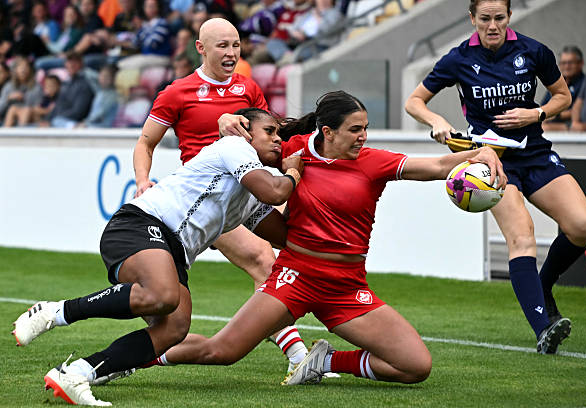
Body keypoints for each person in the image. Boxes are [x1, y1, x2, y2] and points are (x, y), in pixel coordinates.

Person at [132, 90, 506, 387]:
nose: (363, 137)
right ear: (327, 132)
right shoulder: (292, 151)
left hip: (346, 286)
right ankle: (128, 360)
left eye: (365, 128)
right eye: (355, 129)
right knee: (222, 350)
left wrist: (480, 152)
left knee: (414, 366)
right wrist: (226, 118)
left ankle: (323, 361)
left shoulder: (373, 162)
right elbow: (249, 136)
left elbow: (438, 166)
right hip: (295, 275)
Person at [12, 107, 304, 406]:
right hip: (139, 224)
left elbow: (284, 236)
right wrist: (295, 170)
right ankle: (55, 312)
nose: (277, 140)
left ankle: (77, 373)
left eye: (280, 135)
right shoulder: (234, 146)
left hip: (172, 251)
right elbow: (275, 192)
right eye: (269, 132)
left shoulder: (251, 193)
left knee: (174, 328)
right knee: (163, 295)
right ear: (244, 129)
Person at [404, 0, 586, 354]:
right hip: (490, 160)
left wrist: (534, 113)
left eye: (500, 18)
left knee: (584, 226)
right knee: (521, 236)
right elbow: (415, 101)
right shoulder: (457, 59)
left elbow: (562, 96)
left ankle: (544, 283)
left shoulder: (534, 51)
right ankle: (543, 329)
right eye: (485, 19)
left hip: (536, 153)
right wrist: (437, 122)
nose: (493, 26)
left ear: (509, 16)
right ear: (472, 18)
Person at [134, 17, 310, 371]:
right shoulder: (177, 92)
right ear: (201, 48)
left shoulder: (248, 88)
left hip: (245, 193)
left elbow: (268, 136)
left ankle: (144, 354)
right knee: (265, 261)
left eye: (236, 45)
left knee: (290, 249)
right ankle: (299, 357)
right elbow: (145, 141)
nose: (231, 53)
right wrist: (143, 180)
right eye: (222, 46)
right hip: (207, 198)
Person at [541, 45, 585, 131]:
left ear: (580, 64)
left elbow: (584, 110)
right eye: (563, 63)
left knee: (542, 128)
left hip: (573, 125)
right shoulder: (557, 82)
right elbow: (544, 105)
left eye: (571, 63)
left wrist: (555, 115)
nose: (567, 66)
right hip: (552, 122)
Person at [47, 51, 95, 128]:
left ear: (81, 64)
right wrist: (48, 120)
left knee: (57, 121)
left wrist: (56, 118)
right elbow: (58, 105)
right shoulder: (66, 83)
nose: (71, 65)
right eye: (69, 62)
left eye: (74, 62)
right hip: (60, 120)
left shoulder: (85, 84)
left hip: (74, 122)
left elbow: (79, 111)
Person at [0, 57, 43, 124]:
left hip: (30, 119)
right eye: (20, 66)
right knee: (13, 109)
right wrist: (8, 98)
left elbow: (39, 108)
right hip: (8, 120)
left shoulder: (36, 87)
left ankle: (20, 131)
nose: (24, 69)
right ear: (15, 70)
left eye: (26, 66)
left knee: (24, 110)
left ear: (30, 70)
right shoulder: (8, 86)